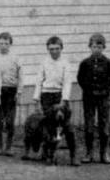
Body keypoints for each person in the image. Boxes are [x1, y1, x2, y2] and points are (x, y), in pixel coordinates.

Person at [33, 35, 79, 166]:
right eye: (51, 49)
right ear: (48, 49)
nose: (54, 51)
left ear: (61, 48)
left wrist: (64, 100)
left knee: (68, 127)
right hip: (46, 96)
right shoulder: (44, 63)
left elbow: (67, 83)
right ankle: (47, 153)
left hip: (60, 96)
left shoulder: (65, 63)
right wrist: (36, 100)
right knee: (47, 126)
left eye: (57, 48)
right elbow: (38, 81)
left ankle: (73, 155)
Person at [77, 33, 110, 164]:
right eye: (94, 46)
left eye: (99, 47)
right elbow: (80, 79)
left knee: (104, 126)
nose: (96, 49)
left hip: (104, 98)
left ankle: (104, 153)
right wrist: (88, 90)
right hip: (89, 98)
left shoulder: (109, 63)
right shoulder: (85, 63)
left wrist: (106, 91)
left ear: (103, 47)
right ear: (90, 47)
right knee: (89, 125)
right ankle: (89, 153)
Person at [0, 31, 22, 156]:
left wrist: (19, 92)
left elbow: (20, 76)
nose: (3, 45)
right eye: (1, 43)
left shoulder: (16, 58)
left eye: (6, 43)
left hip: (11, 91)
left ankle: (9, 146)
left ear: (10, 44)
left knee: (10, 121)